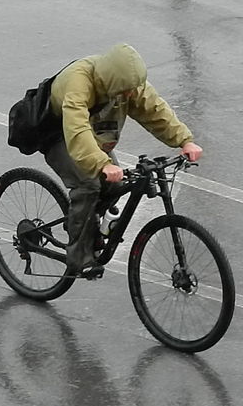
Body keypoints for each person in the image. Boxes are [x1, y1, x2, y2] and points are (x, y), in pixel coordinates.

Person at [44, 43, 203, 278]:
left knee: (116, 185)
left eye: (132, 89)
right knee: (88, 186)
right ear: (112, 81)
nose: (130, 94)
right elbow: (76, 130)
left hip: (92, 134)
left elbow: (154, 109)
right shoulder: (79, 83)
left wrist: (184, 140)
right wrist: (102, 164)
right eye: (125, 90)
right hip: (59, 132)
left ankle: (86, 223)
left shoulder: (128, 84)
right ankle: (79, 257)